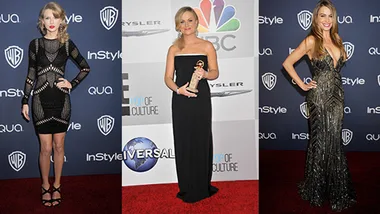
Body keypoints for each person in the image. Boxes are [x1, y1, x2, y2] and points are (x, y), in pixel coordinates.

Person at [282, 0, 356, 211]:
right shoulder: (311, 41)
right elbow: (287, 63)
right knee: (321, 141)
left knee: (334, 141)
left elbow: (338, 65)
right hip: (318, 98)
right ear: (316, 18)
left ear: (334, 19)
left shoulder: (338, 39)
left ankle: (336, 188)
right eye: (322, 15)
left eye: (330, 15)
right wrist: (303, 85)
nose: (326, 20)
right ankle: (316, 187)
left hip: (337, 96)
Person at [21, 2, 90, 207]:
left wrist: (72, 83)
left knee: (59, 147)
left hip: (62, 103)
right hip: (40, 103)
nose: (51, 22)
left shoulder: (67, 44)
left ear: (62, 20)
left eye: (55, 17)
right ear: (42, 21)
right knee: (45, 149)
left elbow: (85, 68)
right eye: (47, 17)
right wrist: (25, 100)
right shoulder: (35, 44)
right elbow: (31, 75)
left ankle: (57, 185)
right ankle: (45, 186)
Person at [164, 6, 219, 203]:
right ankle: (186, 186)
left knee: (201, 139)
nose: (186, 25)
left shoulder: (207, 47)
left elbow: (215, 72)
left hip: (201, 99)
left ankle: (202, 185)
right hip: (180, 100)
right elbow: (168, 78)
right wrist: (178, 89)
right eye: (182, 21)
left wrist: (205, 74)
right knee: (183, 141)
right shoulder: (174, 49)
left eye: (190, 20)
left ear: (197, 23)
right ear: (178, 26)